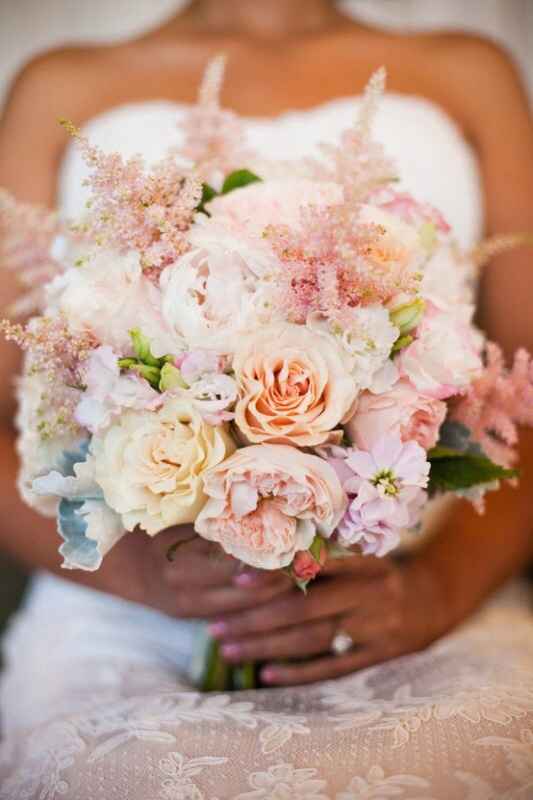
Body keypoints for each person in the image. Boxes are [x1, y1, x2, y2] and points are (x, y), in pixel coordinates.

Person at [0, 1, 533, 796]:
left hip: (411, 592)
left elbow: (523, 401)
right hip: (127, 596)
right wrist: (142, 578)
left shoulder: (470, 70)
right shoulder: (59, 85)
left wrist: (432, 592)